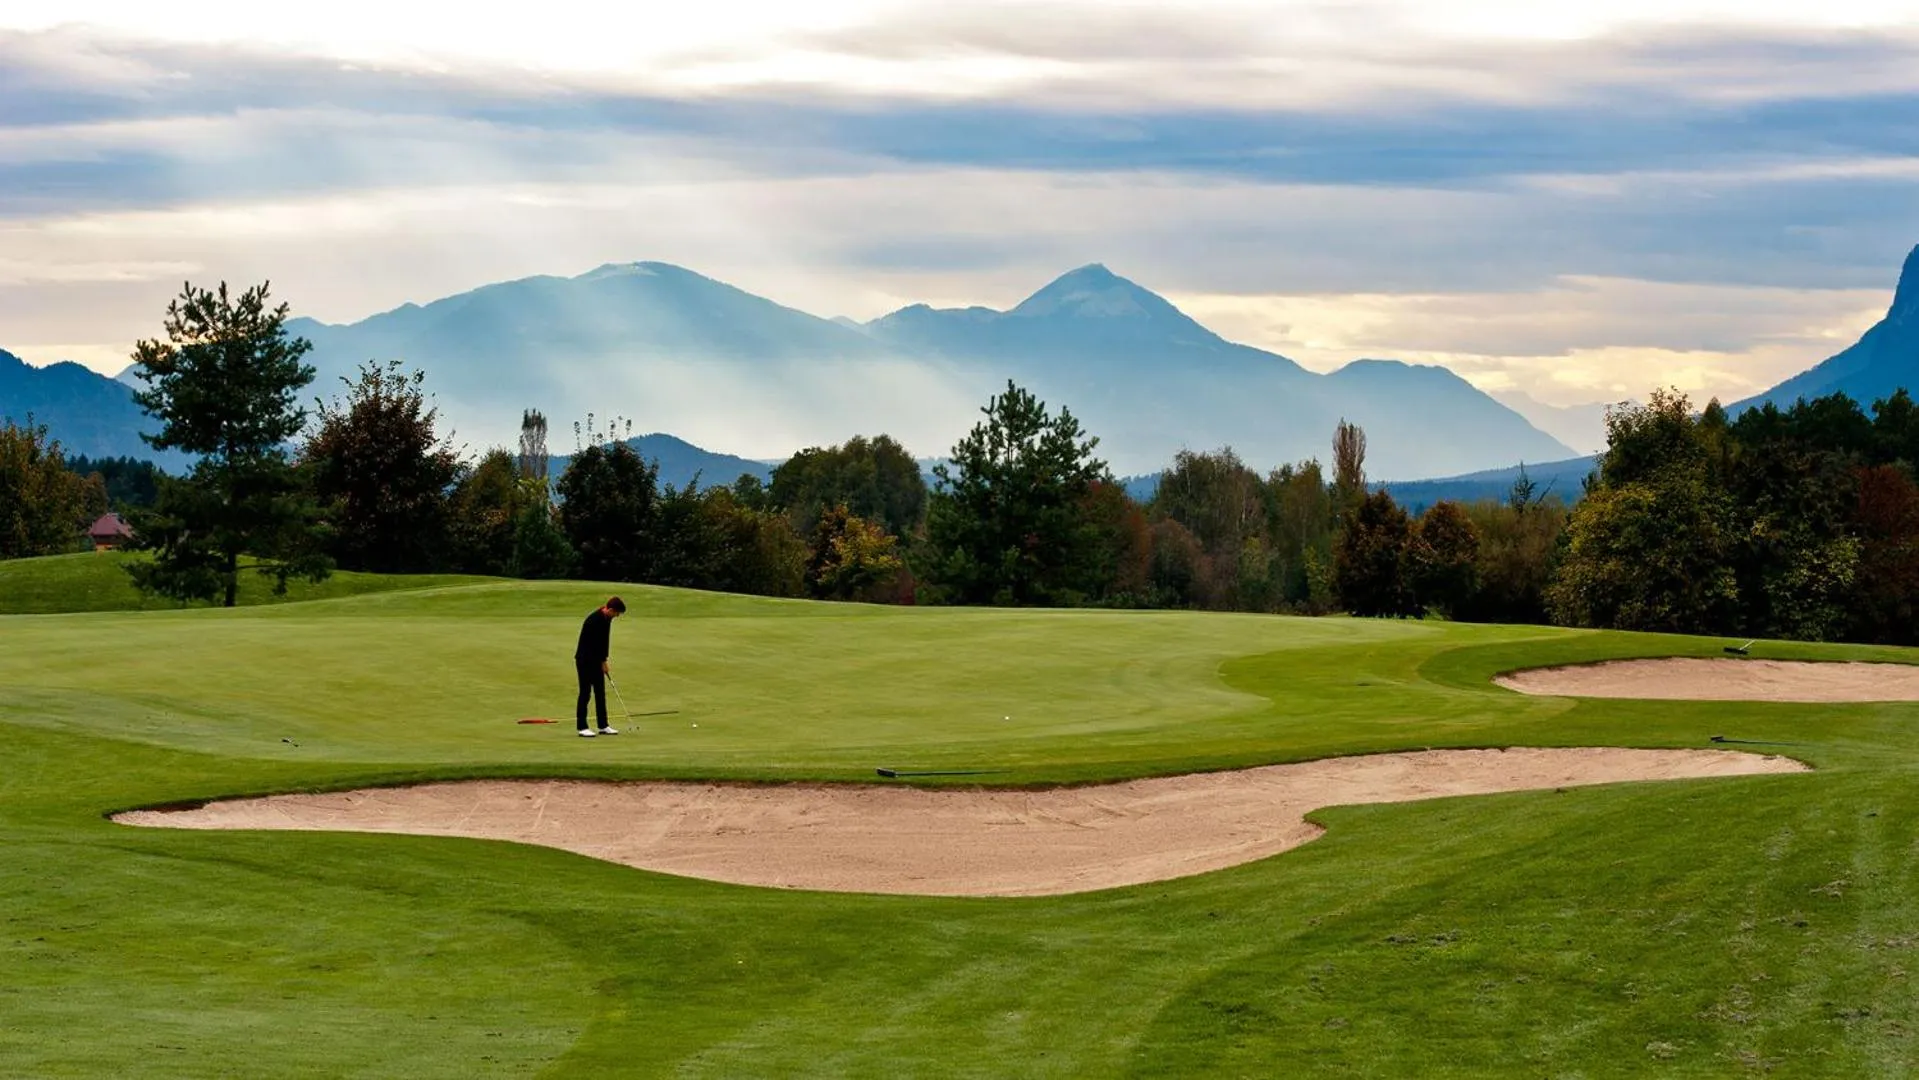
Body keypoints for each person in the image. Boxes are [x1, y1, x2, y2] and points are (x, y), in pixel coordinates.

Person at [573, 596, 626, 737]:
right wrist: (602, 662)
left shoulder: (607, 618)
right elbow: (592, 645)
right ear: (610, 609)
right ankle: (582, 727)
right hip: (584, 660)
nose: (617, 616)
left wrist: (604, 660)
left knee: (600, 693)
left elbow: (604, 641)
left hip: (596, 660)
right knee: (585, 693)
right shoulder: (594, 620)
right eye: (617, 613)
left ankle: (603, 725)